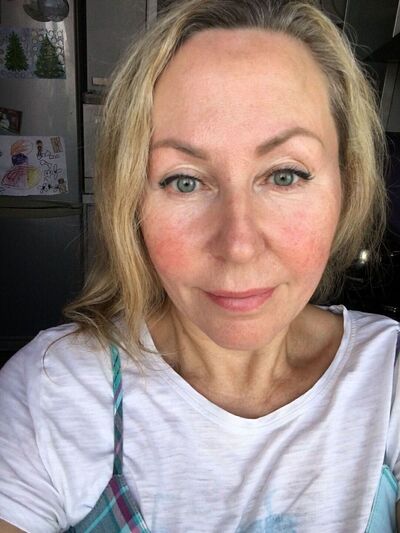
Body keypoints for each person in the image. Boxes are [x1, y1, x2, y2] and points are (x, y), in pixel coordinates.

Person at [0, 0, 398, 531]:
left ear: (347, 184)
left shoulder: (389, 382)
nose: (238, 245)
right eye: (184, 181)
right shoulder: (50, 393)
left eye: (285, 175)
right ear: (130, 201)